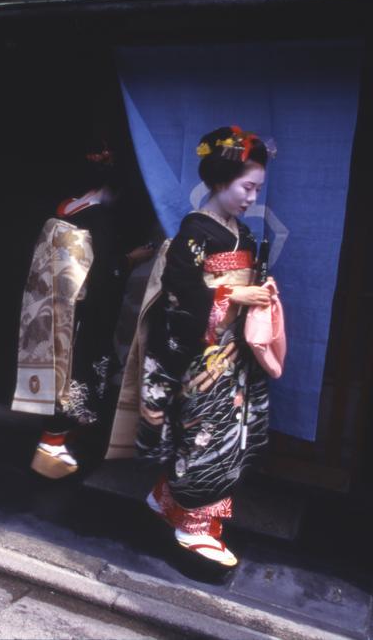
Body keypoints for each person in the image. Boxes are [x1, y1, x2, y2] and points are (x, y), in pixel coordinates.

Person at [106, 126, 278, 569]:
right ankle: (193, 527)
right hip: (203, 355)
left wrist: (259, 290)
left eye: (256, 189)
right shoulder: (195, 232)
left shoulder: (236, 231)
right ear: (221, 181)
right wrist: (231, 297)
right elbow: (179, 290)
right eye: (246, 187)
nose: (251, 197)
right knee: (209, 436)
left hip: (231, 352)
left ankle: (166, 499)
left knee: (228, 435)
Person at [13, 143, 153, 478]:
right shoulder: (98, 220)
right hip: (83, 312)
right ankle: (54, 441)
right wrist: (131, 260)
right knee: (77, 372)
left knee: (60, 365)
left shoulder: (64, 211)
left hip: (53, 306)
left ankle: (62, 437)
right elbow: (104, 271)